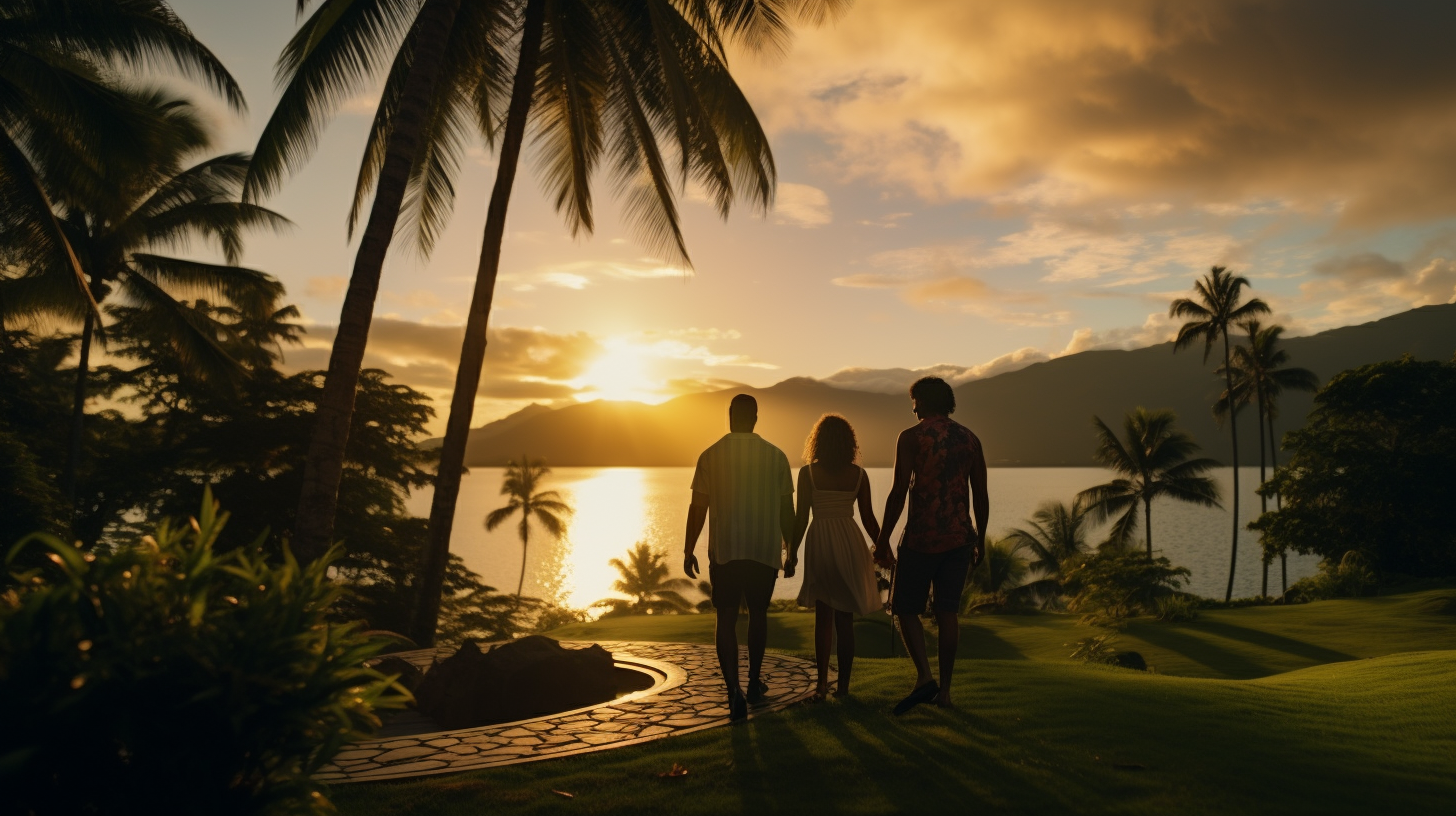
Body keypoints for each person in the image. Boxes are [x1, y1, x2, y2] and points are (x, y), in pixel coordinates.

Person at [874, 376, 988, 714]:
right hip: (959, 538)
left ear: (922, 401)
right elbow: (980, 494)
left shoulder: (912, 437)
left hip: (922, 538)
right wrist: (979, 537)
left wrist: (882, 540)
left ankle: (925, 677)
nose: (913, 407)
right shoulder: (970, 439)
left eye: (914, 400)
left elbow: (897, 492)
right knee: (948, 612)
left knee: (906, 608)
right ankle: (946, 692)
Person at [683, 393, 795, 721]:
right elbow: (786, 509)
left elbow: (698, 507)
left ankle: (734, 690)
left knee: (726, 618)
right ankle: (754, 680)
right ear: (755, 418)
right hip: (763, 550)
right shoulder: (776, 457)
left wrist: (689, 549)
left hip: (726, 552)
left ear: (730, 417)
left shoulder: (711, 456)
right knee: (758, 615)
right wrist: (792, 549)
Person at [788, 414, 883, 700]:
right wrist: (884, 547)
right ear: (848, 443)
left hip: (821, 542)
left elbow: (801, 517)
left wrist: (791, 552)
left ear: (818, 442)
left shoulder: (808, 473)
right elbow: (868, 519)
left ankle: (820, 685)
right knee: (845, 620)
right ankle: (843, 687)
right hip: (849, 541)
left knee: (823, 619)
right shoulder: (858, 475)